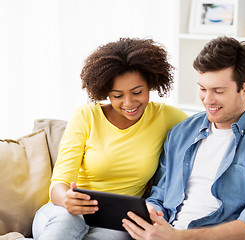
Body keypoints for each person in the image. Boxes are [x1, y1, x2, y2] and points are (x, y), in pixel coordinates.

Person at [122, 36, 245, 240]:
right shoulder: (181, 133)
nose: (207, 99)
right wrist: (152, 212)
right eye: (203, 88)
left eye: (218, 91)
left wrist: (177, 237)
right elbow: (159, 196)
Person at [31, 38, 187, 240]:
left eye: (137, 92)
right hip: (64, 212)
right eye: (117, 95)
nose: (129, 102)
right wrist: (66, 199)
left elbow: (208, 128)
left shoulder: (167, 117)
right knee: (65, 225)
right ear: (106, 92)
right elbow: (59, 183)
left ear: (151, 83)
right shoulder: (86, 116)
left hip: (118, 222)